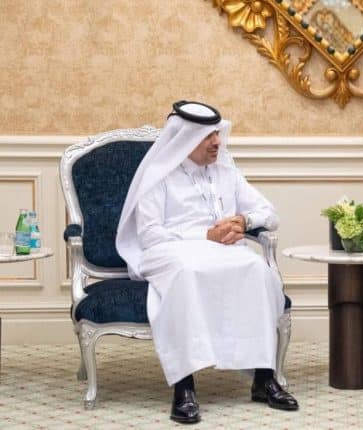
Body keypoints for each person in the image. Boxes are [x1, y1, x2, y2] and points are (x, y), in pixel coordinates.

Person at [116, 101, 299, 424]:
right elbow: (150, 234)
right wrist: (205, 235)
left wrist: (244, 219)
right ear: (184, 139)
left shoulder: (225, 170)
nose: (217, 142)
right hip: (169, 252)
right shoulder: (160, 175)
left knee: (257, 269)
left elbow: (270, 214)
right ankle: (184, 387)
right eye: (207, 137)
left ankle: (264, 378)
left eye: (217, 134)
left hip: (222, 251)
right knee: (187, 272)